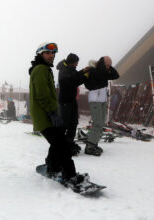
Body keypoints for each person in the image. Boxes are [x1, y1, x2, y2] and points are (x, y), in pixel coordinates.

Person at [29, 42, 86, 185]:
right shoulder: (41, 69)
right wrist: (52, 113)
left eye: (53, 53)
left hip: (48, 115)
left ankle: (52, 167)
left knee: (57, 143)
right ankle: (70, 176)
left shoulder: (43, 69)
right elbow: (43, 94)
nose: (51, 56)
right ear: (41, 54)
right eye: (47, 53)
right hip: (46, 116)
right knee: (62, 145)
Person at [84, 56, 119, 156]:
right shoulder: (94, 71)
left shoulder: (104, 71)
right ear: (101, 64)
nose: (108, 68)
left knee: (101, 123)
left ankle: (94, 143)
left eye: (110, 65)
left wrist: (109, 67)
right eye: (107, 65)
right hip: (95, 100)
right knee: (98, 123)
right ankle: (90, 146)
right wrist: (105, 68)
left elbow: (116, 75)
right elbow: (99, 76)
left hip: (102, 99)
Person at [56, 53, 89, 156]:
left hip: (72, 100)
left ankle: (69, 142)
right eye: (75, 63)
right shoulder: (63, 71)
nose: (76, 65)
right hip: (65, 101)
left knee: (73, 123)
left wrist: (84, 70)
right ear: (71, 62)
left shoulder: (70, 68)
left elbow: (75, 75)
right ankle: (60, 145)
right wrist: (85, 76)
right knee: (65, 124)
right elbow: (73, 81)